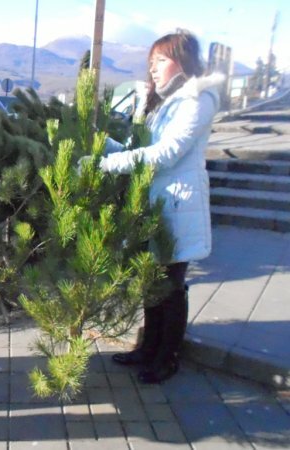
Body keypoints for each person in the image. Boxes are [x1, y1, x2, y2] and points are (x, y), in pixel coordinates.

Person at [96, 30, 224, 384]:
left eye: (161, 61)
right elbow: (137, 147)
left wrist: (107, 165)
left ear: (183, 61)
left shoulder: (198, 99)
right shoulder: (164, 101)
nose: (153, 69)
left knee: (170, 285)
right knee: (150, 280)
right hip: (153, 203)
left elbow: (166, 153)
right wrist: (102, 143)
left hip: (178, 204)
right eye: (151, 62)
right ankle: (147, 347)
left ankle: (167, 357)